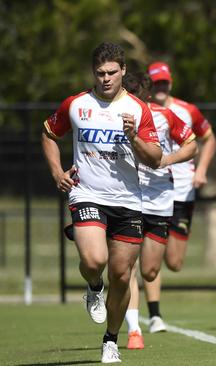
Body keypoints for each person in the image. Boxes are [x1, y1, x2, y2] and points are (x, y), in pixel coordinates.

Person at [41, 42, 162, 363]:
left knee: (122, 275)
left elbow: (155, 158)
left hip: (127, 199)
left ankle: (111, 339)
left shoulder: (139, 109)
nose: (106, 78)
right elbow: (49, 133)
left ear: (123, 71)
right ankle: (94, 285)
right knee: (95, 260)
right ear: (93, 73)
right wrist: (56, 171)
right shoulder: (77, 104)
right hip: (87, 193)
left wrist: (134, 136)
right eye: (100, 73)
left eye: (112, 72)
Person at [121, 72, 198, 349]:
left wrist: (167, 159)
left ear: (147, 98)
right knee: (126, 265)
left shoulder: (165, 116)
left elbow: (192, 145)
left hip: (160, 198)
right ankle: (133, 330)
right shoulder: (110, 115)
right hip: (126, 196)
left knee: (151, 270)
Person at [144, 61, 216, 333]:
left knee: (174, 262)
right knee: (150, 253)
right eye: (156, 82)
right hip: (150, 191)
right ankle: (154, 315)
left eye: (164, 82)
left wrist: (202, 170)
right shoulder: (141, 110)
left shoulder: (187, 110)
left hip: (182, 191)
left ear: (170, 83)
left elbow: (208, 139)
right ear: (149, 85)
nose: (161, 87)